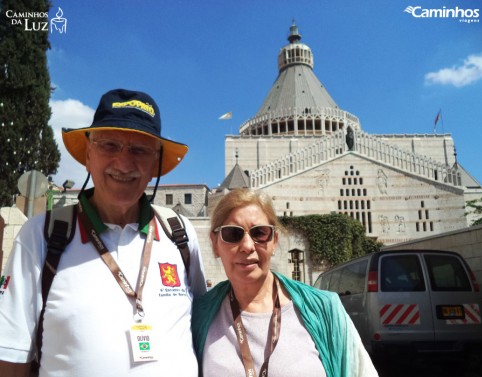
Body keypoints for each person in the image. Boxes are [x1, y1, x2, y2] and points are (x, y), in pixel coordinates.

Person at [0, 89, 207, 377]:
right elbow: (11, 356)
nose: (123, 163)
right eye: (110, 145)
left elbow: (203, 330)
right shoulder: (41, 237)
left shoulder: (180, 235)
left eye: (139, 150)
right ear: (88, 155)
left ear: (155, 165)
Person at [192, 188, 378, 377]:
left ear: (274, 241)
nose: (247, 246)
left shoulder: (324, 309)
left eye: (260, 233)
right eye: (232, 234)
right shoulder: (199, 315)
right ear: (215, 244)